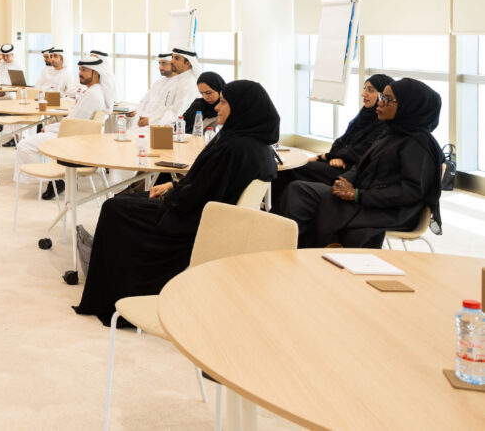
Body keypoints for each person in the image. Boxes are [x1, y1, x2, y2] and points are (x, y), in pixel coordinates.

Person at [73, 80, 279, 325]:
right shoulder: (254, 144)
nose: (217, 107)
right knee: (125, 201)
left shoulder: (234, 147)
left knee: (115, 208)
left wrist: (173, 194)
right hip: (207, 213)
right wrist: (173, 185)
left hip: (193, 221)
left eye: (224, 102)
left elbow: (198, 196)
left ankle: (112, 295)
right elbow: (208, 185)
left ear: (242, 107)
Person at [282, 78, 443, 248]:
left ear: (408, 106)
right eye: (382, 97)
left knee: (309, 199)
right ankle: (294, 248)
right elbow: (362, 166)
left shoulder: (419, 144)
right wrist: (344, 181)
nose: (380, 103)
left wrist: (358, 195)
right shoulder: (392, 133)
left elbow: (410, 191)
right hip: (365, 198)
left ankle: (308, 252)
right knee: (298, 191)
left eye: (387, 99)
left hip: (389, 210)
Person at [270, 74, 393, 213]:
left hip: (349, 172)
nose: (363, 94)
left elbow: (360, 153)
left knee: (293, 170)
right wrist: (336, 156)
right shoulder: (364, 115)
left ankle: (276, 215)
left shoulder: (383, 124)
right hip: (338, 163)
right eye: (364, 88)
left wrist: (324, 157)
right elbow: (340, 142)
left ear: (383, 96)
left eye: (370, 90)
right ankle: (275, 213)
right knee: (288, 171)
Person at [15, 57, 114, 199]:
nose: (80, 73)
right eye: (80, 69)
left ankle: (56, 179)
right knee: (32, 142)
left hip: (72, 138)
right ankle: (58, 178)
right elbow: (74, 121)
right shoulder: (94, 91)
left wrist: (49, 128)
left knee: (24, 146)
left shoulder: (92, 94)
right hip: (76, 135)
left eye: (84, 70)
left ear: (96, 73)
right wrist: (52, 127)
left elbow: (74, 124)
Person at [131, 53, 173, 127]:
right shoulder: (159, 81)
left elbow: (170, 113)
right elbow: (144, 101)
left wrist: (150, 121)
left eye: (164, 64)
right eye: (159, 63)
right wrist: (136, 113)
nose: (160, 67)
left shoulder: (177, 84)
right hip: (144, 121)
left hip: (158, 125)